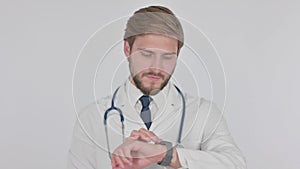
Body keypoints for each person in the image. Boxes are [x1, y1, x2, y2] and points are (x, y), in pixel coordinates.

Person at [67, 5, 246, 169]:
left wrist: (166, 154)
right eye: (146, 54)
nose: (156, 67)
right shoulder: (91, 119)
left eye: (167, 57)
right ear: (127, 49)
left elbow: (236, 164)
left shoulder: (203, 113)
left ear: (178, 54)